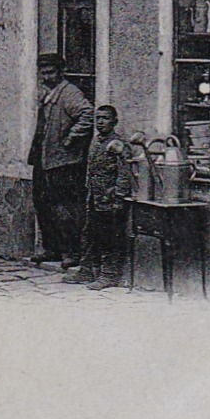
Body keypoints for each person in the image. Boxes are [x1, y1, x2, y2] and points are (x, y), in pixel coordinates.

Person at [28, 52, 93, 267]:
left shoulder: (69, 93)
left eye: (51, 72)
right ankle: (51, 248)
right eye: (43, 73)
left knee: (63, 208)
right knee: (43, 204)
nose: (46, 76)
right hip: (43, 157)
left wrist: (71, 137)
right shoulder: (47, 92)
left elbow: (88, 114)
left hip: (64, 161)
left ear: (61, 72)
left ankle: (71, 252)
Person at [65, 104, 132, 290]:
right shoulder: (95, 141)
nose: (100, 122)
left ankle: (108, 275)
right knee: (89, 235)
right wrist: (88, 190)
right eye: (98, 118)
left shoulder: (118, 145)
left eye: (105, 118)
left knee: (109, 238)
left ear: (114, 121)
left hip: (109, 200)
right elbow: (90, 167)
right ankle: (87, 270)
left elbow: (124, 173)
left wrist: (118, 197)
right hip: (94, 197)